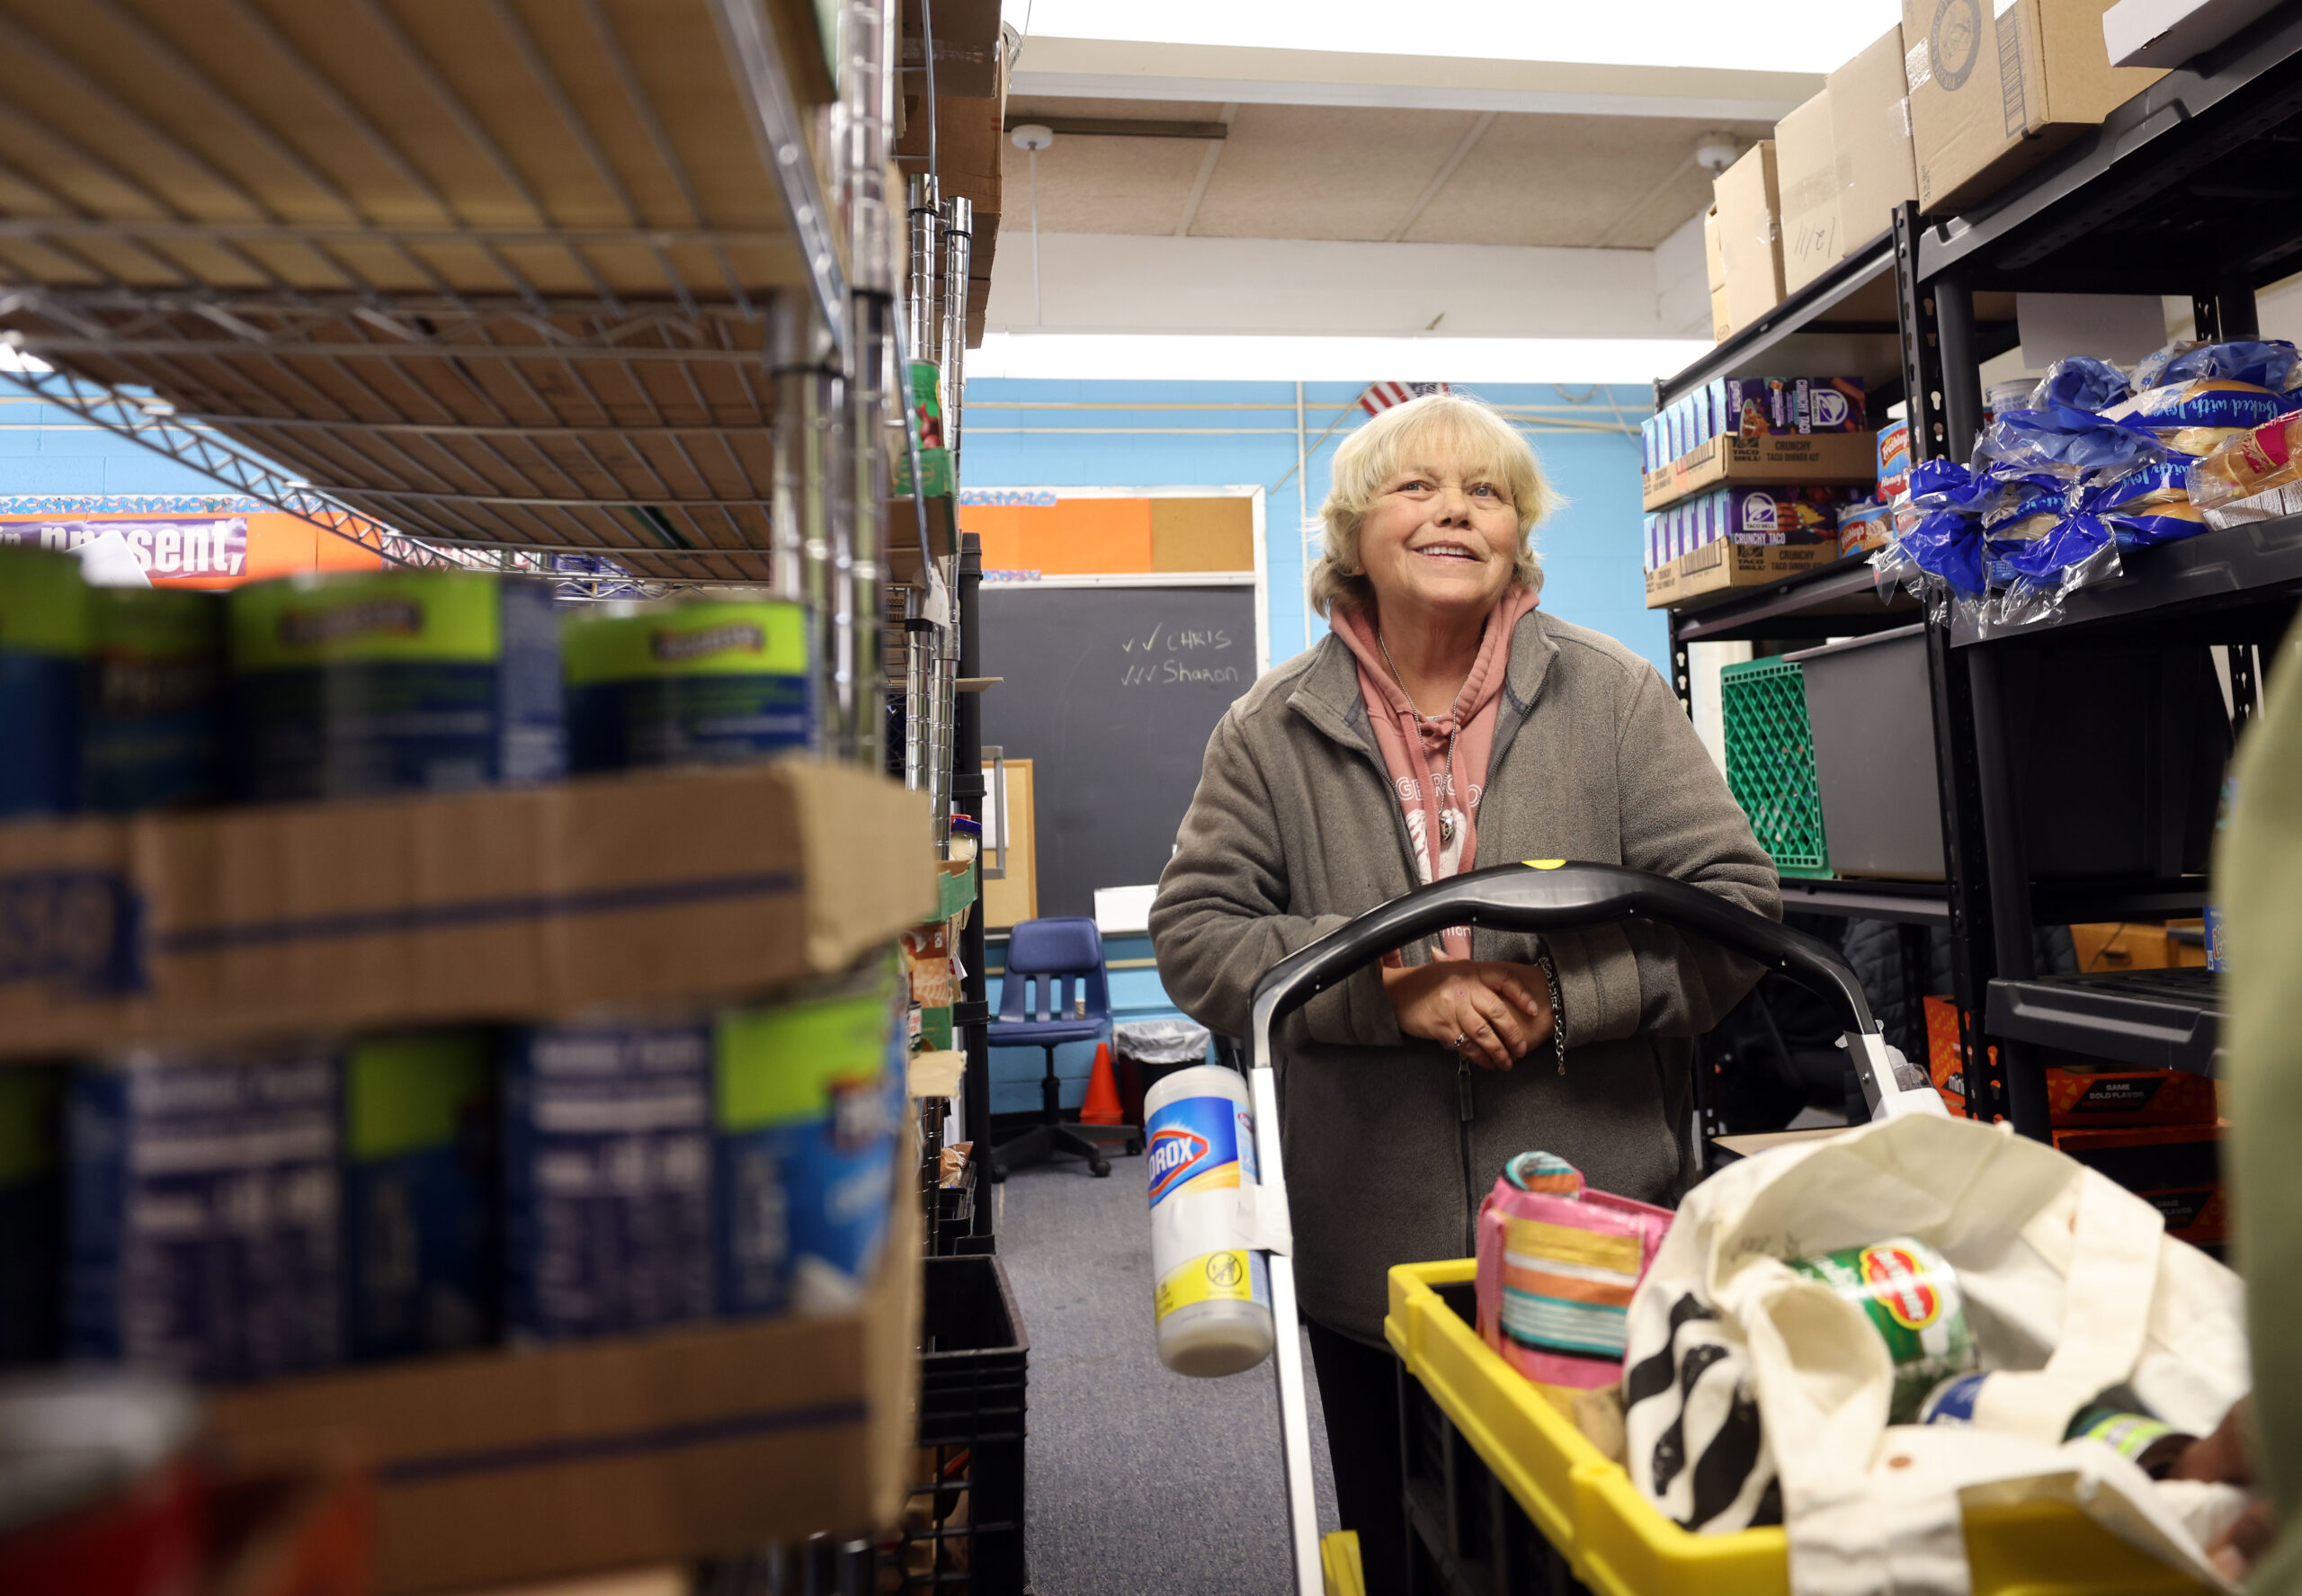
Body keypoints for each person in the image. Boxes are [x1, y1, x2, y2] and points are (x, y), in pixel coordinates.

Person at [1149, 390, 1779, 1589]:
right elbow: (1198, 936)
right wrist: (1388, 990)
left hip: (1595, 1246)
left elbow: (1737, 912)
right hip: (1369, 1255)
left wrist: (1562, 992)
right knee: (1409, 1554)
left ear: (1518, 532)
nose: (1454, 511)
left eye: (1484, 491)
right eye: (1416, 487)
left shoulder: (1616, 699)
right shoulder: (1267, 728)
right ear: (1352, 533)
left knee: (1591, 1553)